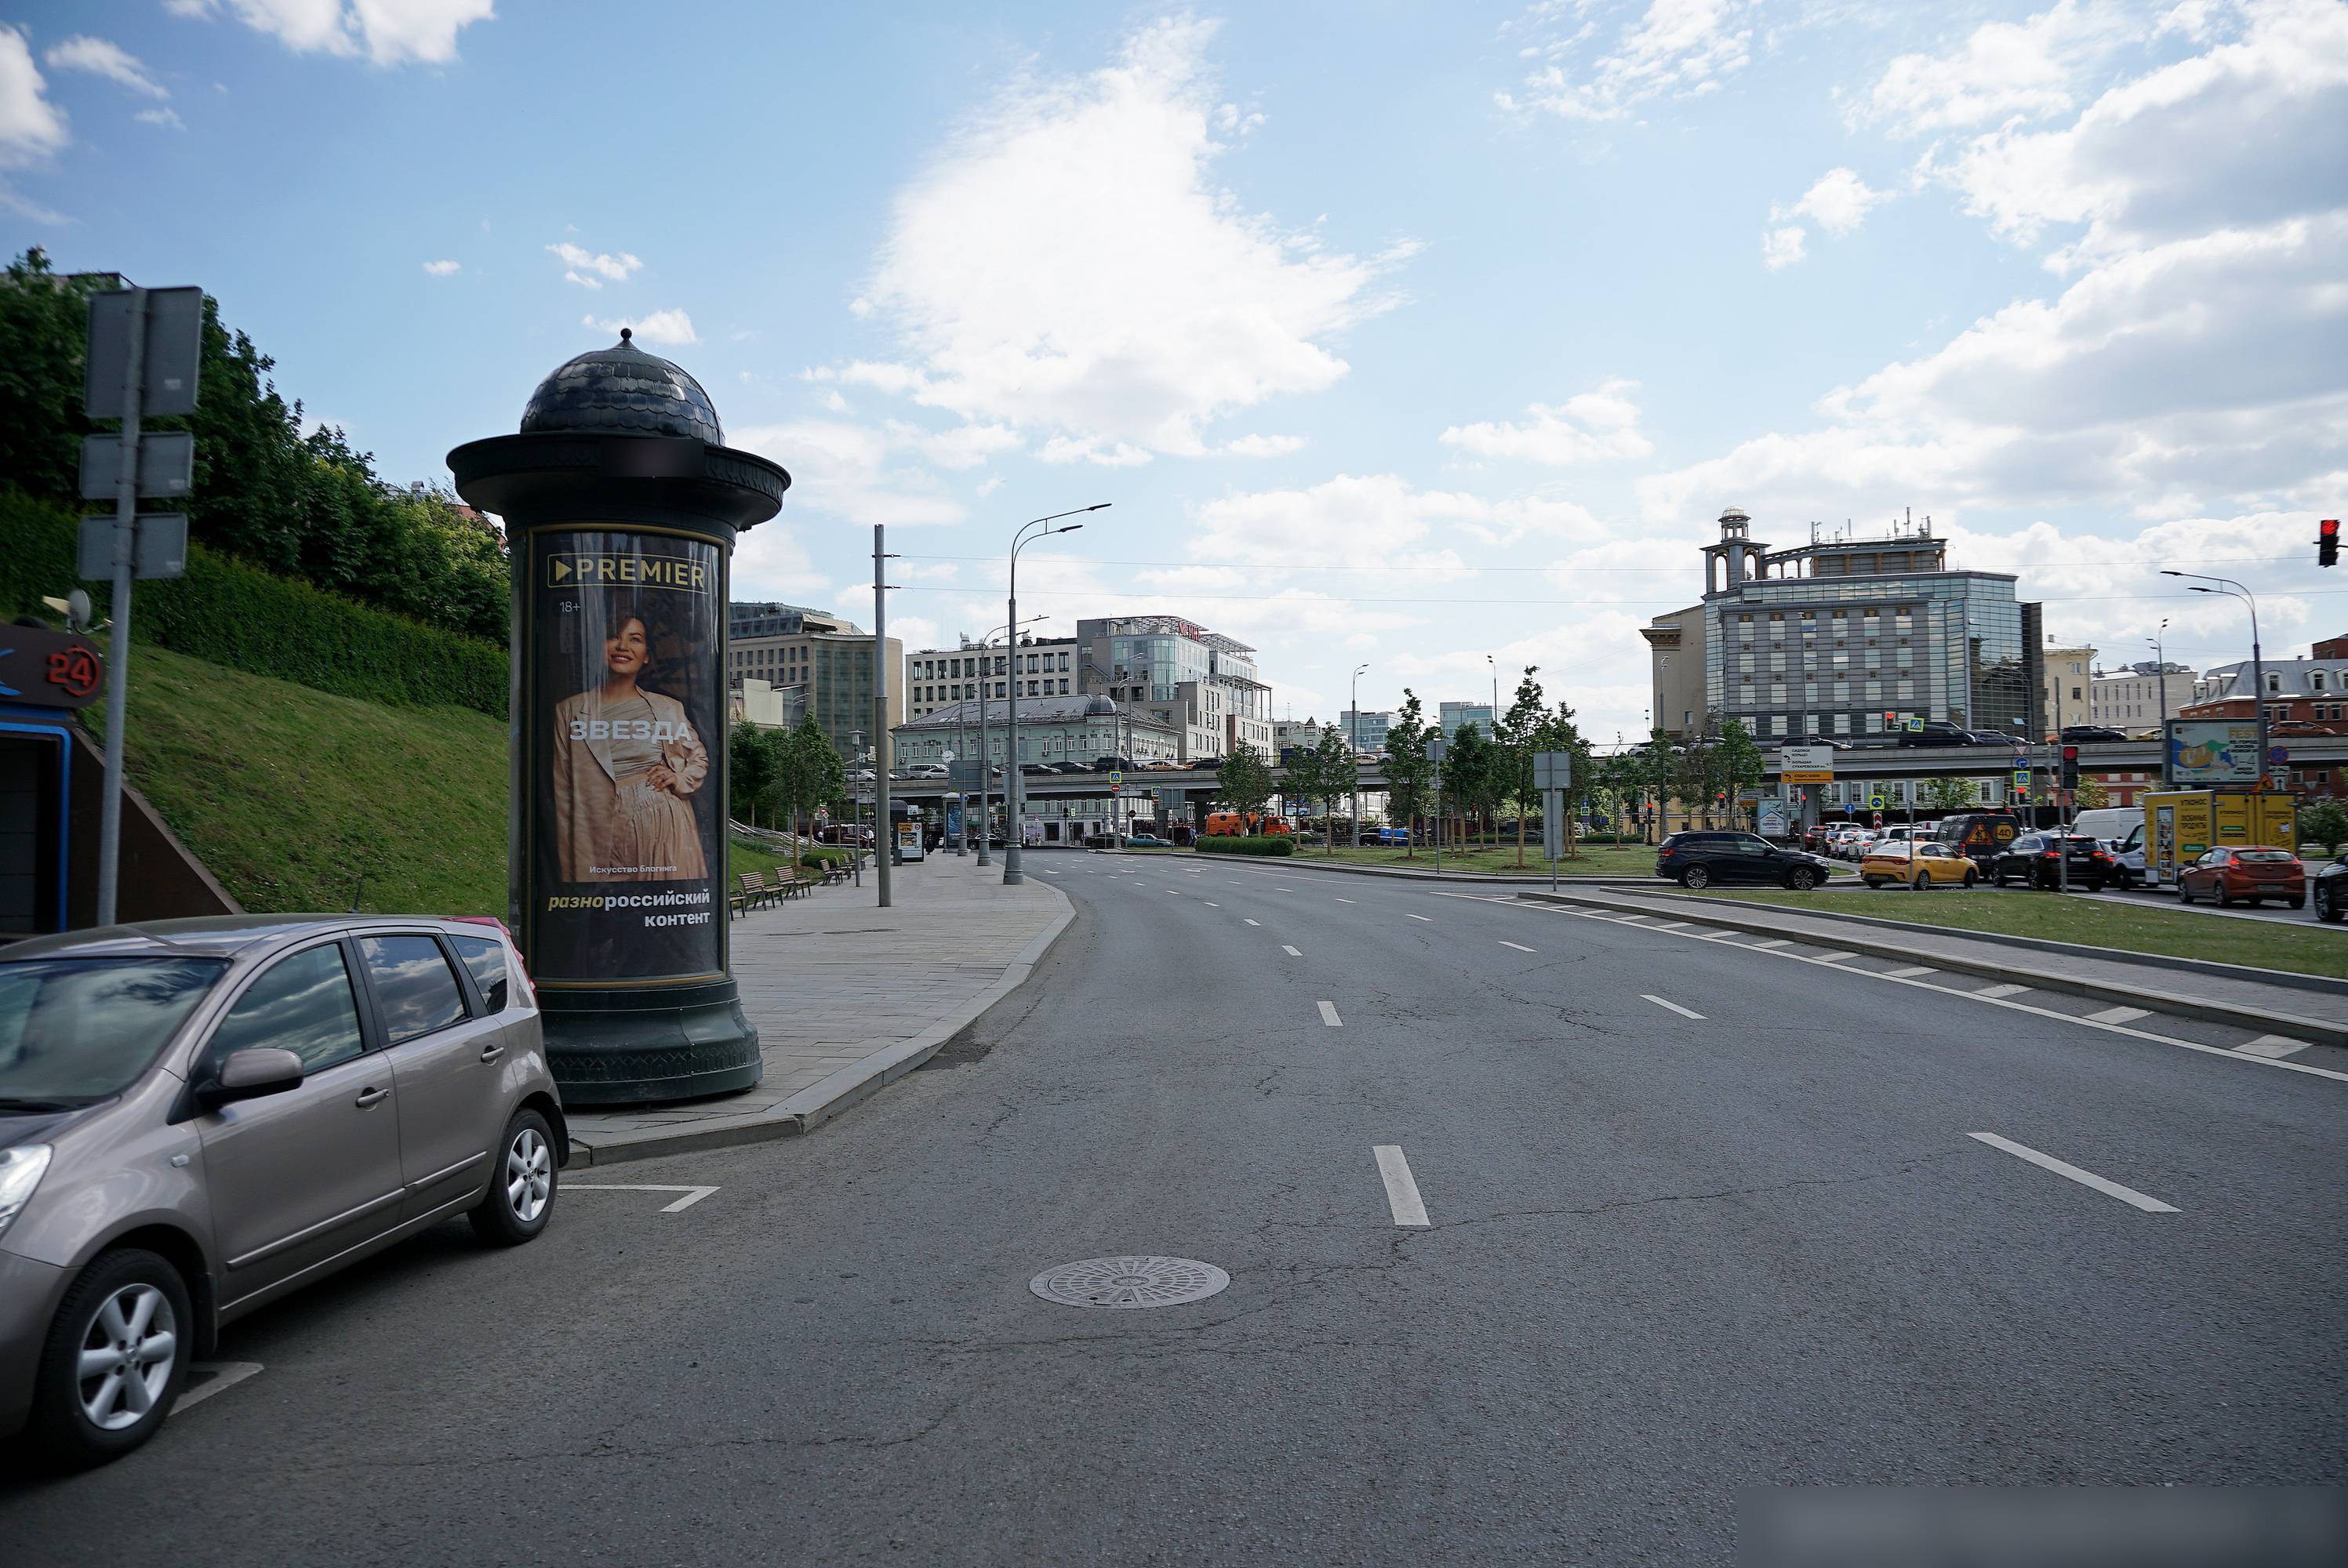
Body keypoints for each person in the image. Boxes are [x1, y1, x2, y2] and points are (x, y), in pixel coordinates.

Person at [551, 604, 709, 882]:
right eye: (614, 636)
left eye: (635, 639)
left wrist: (678, 778)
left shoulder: (667, 707)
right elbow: (563, 793)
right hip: (598, 828)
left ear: (647, 655)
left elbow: (698, 758)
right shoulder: (569, 710)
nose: (622, 646)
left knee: (662, 906)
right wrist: (572, 871)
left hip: (662, 823)